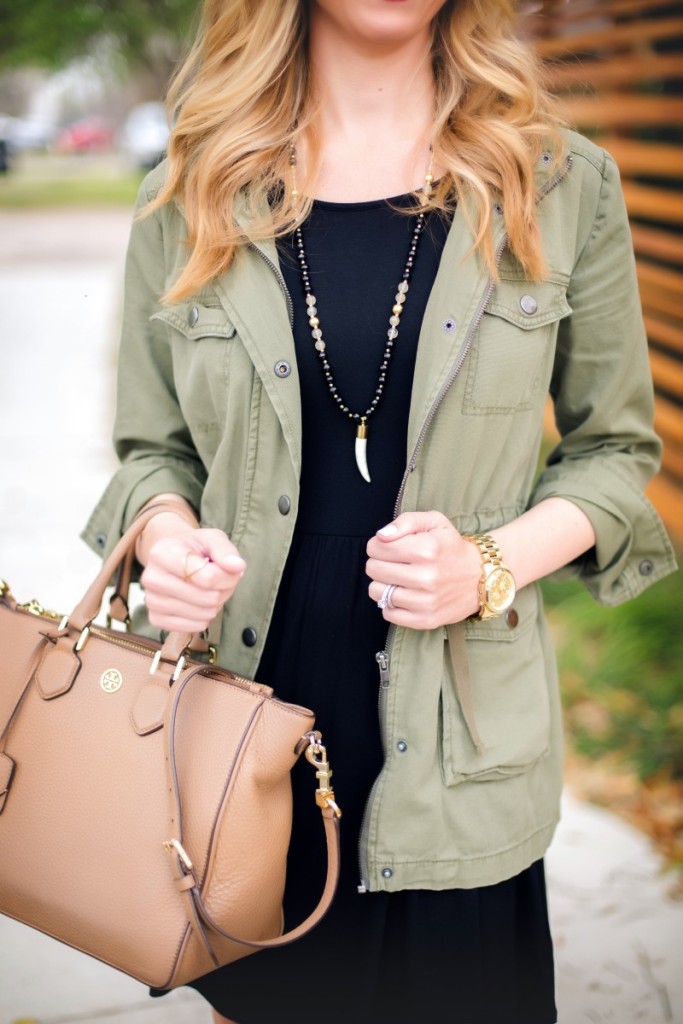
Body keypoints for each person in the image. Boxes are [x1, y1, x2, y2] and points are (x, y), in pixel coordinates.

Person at [83, 1, 677, 1022]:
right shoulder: (189, 191)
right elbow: (151, 453)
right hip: (245, 734)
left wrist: (488, 562)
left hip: (461, 747)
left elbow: (616, 457)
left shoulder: (556, 182)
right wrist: (169, 539)